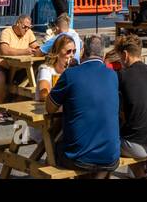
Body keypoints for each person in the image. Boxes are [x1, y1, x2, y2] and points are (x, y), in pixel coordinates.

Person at [47, 35, 120, 175]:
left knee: (51, 149)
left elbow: (49, 108)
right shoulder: (112, 75)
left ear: (83, 52)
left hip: (79, 157)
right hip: (110, 157)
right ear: (103, 54)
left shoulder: (70, 74)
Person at [113, 37, 147, 177]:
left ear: (125, 55)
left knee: (104, 141)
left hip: (135, 146)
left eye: (119, 57)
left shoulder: (122, 76)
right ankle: (140, 175)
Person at [0, 14, 41, 123]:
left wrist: (40, 49)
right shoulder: (7, 32)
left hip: (18, 67)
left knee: (34, 76)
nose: (26, 29)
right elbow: (5, 51)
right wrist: (25, 51)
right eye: (24, 27)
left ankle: (14, 105)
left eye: (29, 27)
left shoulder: (28, 32)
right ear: (18, 24)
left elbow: (35, 45)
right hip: (1, 65)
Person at [35, 33, 76, 101]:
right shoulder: (46, 70)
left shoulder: (72, 69)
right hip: (46, 110)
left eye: (74, 51)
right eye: (68, 51)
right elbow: (43, 94)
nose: (72, 55)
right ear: (57, 53)